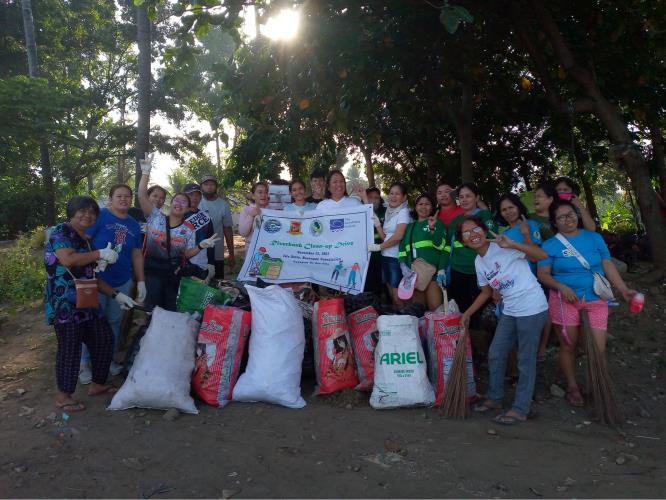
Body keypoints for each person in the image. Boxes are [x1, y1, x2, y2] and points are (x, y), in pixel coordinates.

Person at [537, 200, 637, 407]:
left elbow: (607, 264)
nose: (568, 219)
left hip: (596, 299)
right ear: (554, 222)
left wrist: (624, 289)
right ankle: (572, 387)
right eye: (561, 217)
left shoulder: (594, 238)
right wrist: (561, 287)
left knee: (598, 349)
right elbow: (543, 274)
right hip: (564, 302)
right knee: (568, 346)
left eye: (571, 214)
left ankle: (598, 385)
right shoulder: (549, 245)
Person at [45, 196, 137, 412]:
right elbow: (68, 260)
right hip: (66, 304)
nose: (87, 215)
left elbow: (91, 275)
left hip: (87, 301)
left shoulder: (85, 239)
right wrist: (99, 253)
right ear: (71, 212)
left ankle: (98, 384)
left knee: (104, 338)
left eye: (92, 212)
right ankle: (64, 396)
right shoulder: (60, 232)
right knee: (70, 348)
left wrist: (116, 295)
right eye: (82, 211)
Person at [457, 215, 548, 425]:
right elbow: (486, 292)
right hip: (511, 310)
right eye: (466, 233)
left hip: (532, 308)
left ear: (484, 230)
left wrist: (513, 243)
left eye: (476, 229)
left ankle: (520, 409)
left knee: (525, 360)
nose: (473, 234)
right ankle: (495, 398)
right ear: (463, 241)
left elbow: (540, 255)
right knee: (496, 353)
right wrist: (467, 313)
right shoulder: (479, 262)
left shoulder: (503, 246)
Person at [79, 184, 146, 384]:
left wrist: (141, 281)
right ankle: (84, 363)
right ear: (111, 199)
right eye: (119, 196)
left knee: (114, 321)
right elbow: (84, 239)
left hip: (122, 280)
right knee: (90, 321)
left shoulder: (134, 224)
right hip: (96, 279)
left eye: (127, 196)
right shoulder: (100, 216)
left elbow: (136, 253)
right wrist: (94, 257)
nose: (123, 199)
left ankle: (107, 359)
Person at [138, 154, 220, 310]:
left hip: (173, 276)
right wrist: (145, 172)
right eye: (177, 200)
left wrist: (200, 246)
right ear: (171, 203)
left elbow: (185, 255)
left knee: (170, 310)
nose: (179, 204)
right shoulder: (156, 217)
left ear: (187, 208)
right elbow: (142, 195)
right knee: (151, 311)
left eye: (184, 202)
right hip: (152, 273)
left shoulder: (188, 229)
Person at [443, 183, 498, 333]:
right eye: (461, 197)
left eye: (468, 196)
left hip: (480, 273)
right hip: (457, 271)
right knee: (462, 309)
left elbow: (493, 241)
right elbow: (448, 247)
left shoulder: (485, 216)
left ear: (477, 198)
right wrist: (442, 269)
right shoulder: (455, 222)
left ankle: (481, 342)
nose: (464, 199)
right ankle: (466, 341)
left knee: (481, 314)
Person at [398, 193, 446, 311]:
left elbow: (441, 246)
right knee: (419, 309)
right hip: (414, 275)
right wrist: (403, 265)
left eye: (427, 204)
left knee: (435, 308)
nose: (423, 207)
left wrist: (432, 228)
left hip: (433, 274)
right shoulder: (409, 227)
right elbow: (402, 249)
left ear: (432, 207)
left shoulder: (438, 223)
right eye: (420, 204)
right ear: (415, 207)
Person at [369, 182, 410, 307]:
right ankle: (398, 315)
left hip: (395, 258)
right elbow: (385, 237)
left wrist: (379, 247)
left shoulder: (403, 212)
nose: (393, 196)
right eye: (391, 193)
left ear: (404, 197)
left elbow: (398, 236)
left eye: (397, 194)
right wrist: (378, 224)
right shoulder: (389, 212)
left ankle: (405, 315)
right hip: (385, 256)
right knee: (391, 293)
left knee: (397, 294)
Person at [529, 180, 557, 361]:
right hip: (531, 271)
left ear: (550, 199)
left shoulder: (557, 220)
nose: (536, 199)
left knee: (548, 308)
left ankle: (542, 347)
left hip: (552, 271)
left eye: (539, 196)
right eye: (535, 196)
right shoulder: (528, 218)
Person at [199, 175, 235, 279]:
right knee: (199, 284)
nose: (209, 187)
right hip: (197, 253)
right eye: (206, 184)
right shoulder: (196, 202)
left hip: (217, 254)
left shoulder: (223, 205)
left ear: (216, 187)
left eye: (212, 184)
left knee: (217, 284)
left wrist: (231, 254)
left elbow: (227, 230)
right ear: (201, 187)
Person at [496, 193, 542, 272]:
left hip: (533, 276)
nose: (508, 212)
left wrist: (526, 234)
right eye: (504, 210)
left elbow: (535, 257)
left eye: (511, 207)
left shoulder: (531, 224)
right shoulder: (504, 235)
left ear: (518, 207)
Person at [183, 183, 216, 282]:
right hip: (182, 264)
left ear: (201, 197)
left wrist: (211, 263)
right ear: (184, 196)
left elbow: (211, 240)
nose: (194, 198)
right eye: (191, 194)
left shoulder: (206, 217)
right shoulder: (178, 215)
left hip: (202, 264)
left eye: (197, 195)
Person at [364, 187, 386, 296]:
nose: (373, 200)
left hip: (382, 254)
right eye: (370, 197)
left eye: (376, 197)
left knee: (382, 284)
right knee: (368, 284)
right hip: (366, 255)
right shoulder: (361, 212)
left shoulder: (385, 212)